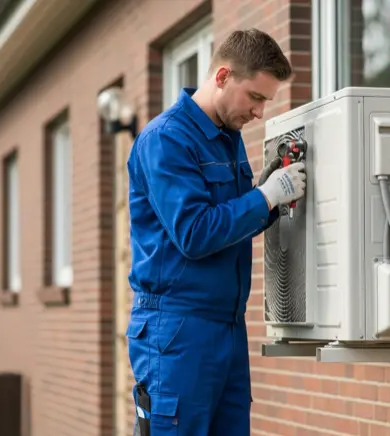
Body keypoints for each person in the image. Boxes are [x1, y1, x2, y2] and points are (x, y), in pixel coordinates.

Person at [125, 28, 306, 436]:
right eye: (255, 97)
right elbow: (194, 232)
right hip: (176, 329)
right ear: (222, 77)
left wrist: (274, 196)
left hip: (226, 327)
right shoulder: (166, 139)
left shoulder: (228, 138)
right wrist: (265, 197)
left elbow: (231, 222)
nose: (259, 112)